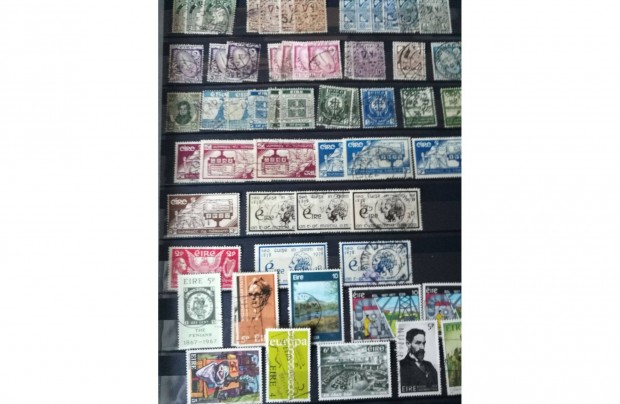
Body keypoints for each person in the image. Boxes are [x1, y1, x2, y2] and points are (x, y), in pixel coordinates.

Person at [399, 328, 438, 392]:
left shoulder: (429, 365)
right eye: (418, 343)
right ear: (408, 344)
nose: (422, 347)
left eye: (423, 343)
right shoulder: (401, 366)